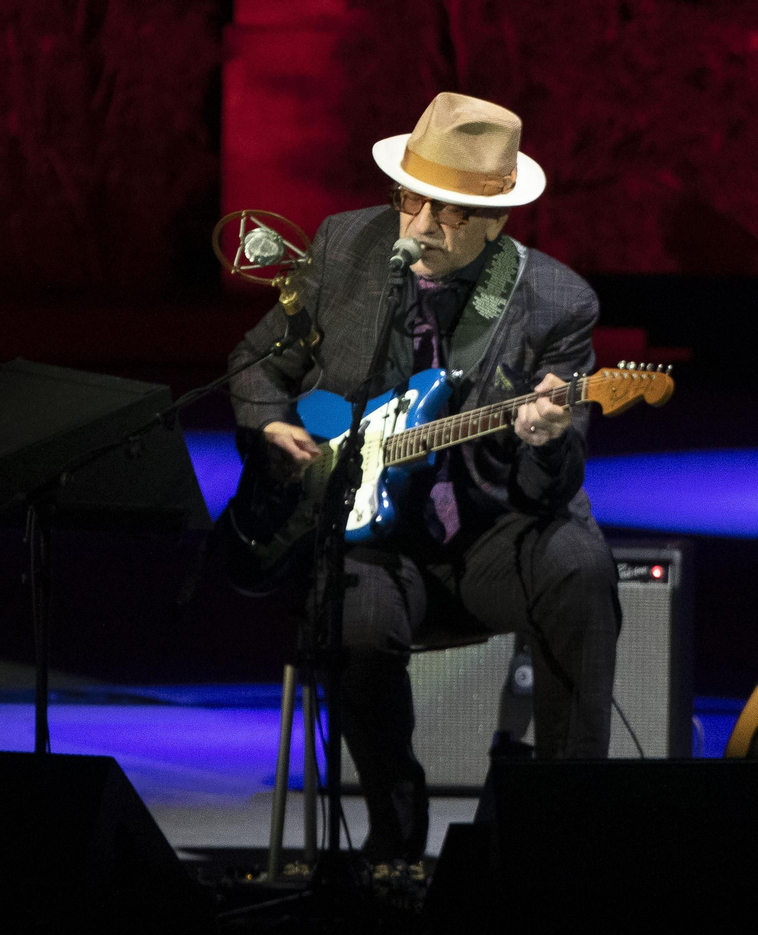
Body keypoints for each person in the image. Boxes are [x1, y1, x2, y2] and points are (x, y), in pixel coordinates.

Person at [227, 92, 619, 864]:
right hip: (374, 538)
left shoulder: (558, 302)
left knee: (581, 567)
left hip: (493, 534)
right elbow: (257, 362)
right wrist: (271, 425)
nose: (419, 224)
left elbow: (552, 482)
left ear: (496, 218)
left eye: (446, 212)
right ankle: (395, 832)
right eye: (411, 197)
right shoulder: (344, 248)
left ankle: (564, 830)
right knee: (354, 620)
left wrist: (544, 437)